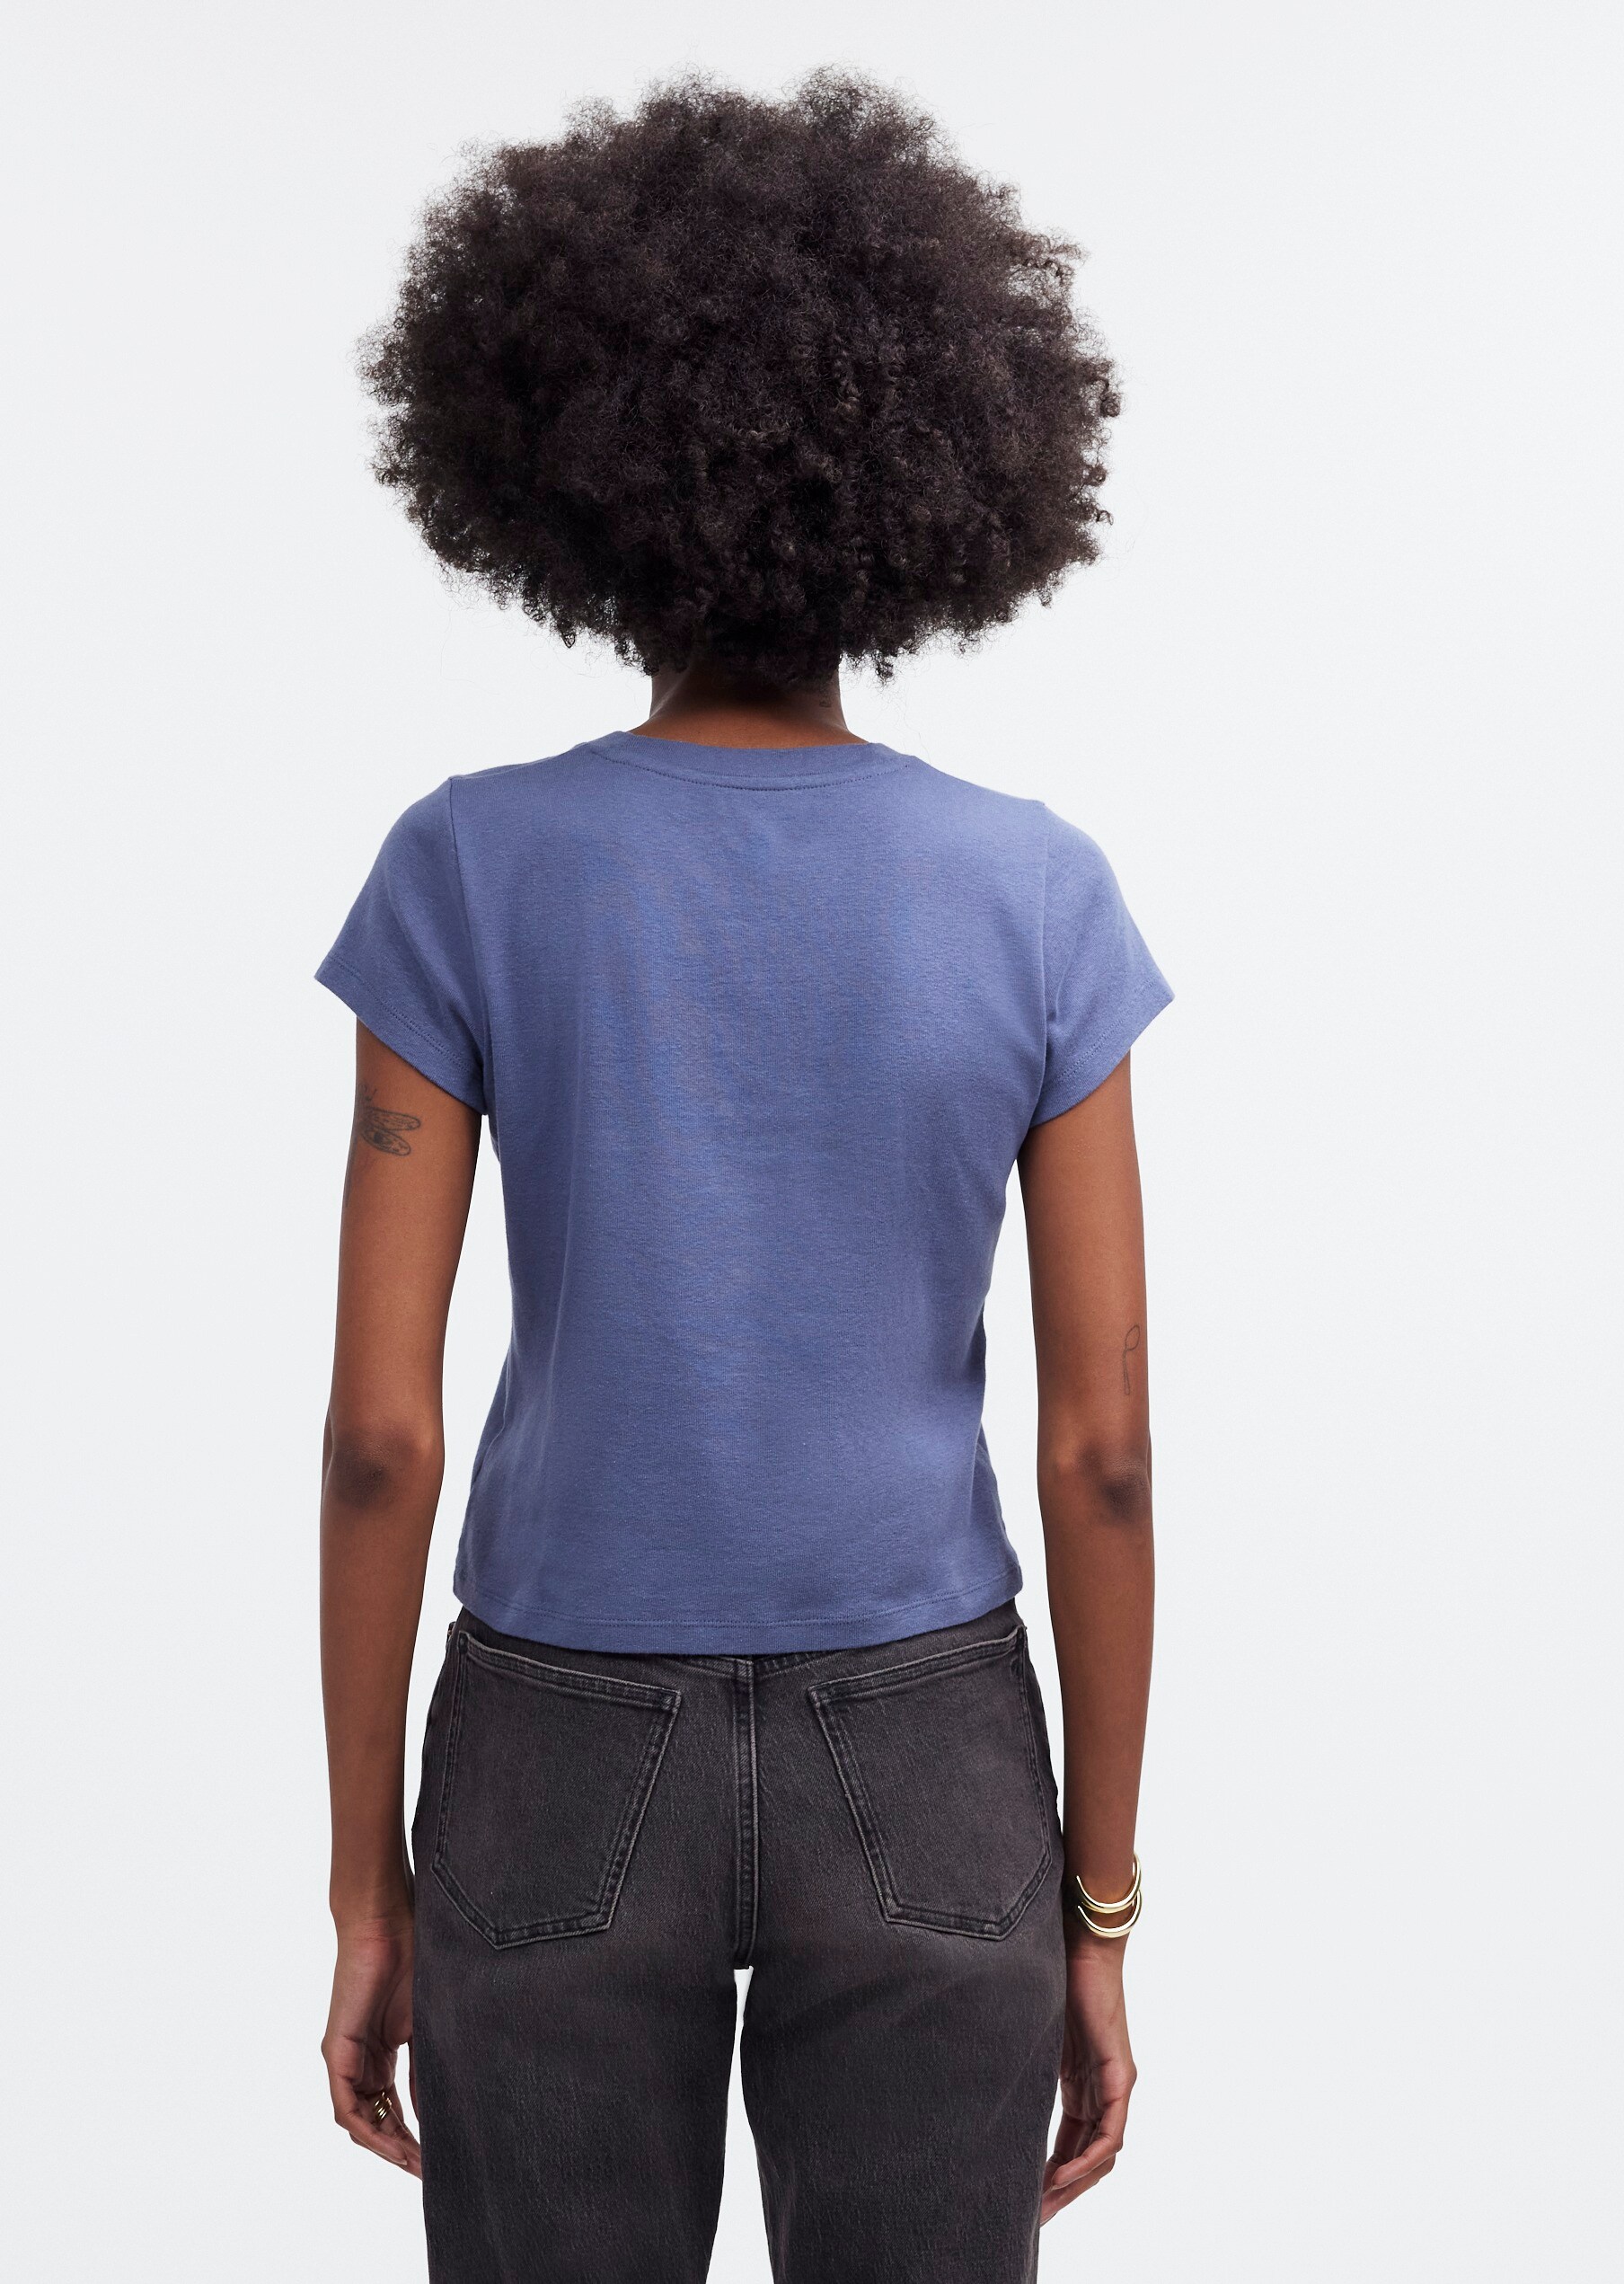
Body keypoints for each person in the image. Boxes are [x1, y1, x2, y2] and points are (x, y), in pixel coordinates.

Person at [315, 72, 1169, 2283]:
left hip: (551, 1733)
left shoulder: (466, 865)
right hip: (932, 1731)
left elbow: (382, 1432)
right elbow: (1098, 1450)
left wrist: (364, 1881)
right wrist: (1095, 1903)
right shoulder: (1036, 893)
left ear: (573, 477)